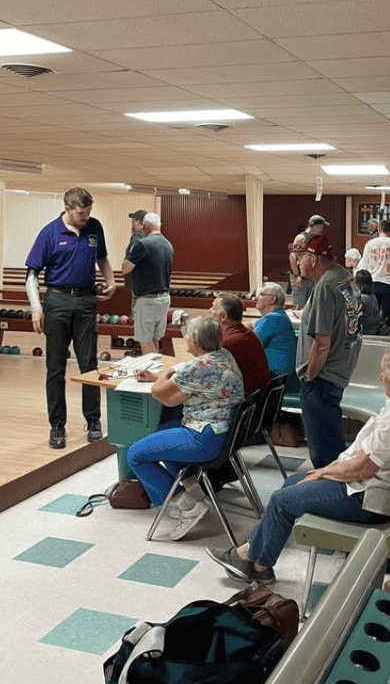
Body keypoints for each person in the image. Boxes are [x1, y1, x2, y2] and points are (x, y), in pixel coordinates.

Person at [205, 343, 390, 585]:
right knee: (292, 482)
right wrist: (326, 473)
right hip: (370, 488)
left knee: (283, 500)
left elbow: (361, 469)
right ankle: (254, 560)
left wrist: (324, 472)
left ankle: (255, 562)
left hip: (367, 498)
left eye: (384, 371)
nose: (380, 376)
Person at [128, 315, 244, 540]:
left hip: (205, 439)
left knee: (135, 454)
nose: (185, 338)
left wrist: (162, 376)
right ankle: (195, 493)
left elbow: (160, 394)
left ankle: (187, 507)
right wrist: (166, 377)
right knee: (163, 433)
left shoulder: (198, 366)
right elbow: (178, 391)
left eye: (188, 335)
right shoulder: (224, 355)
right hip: (224, 434)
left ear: (197, 343)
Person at [25, 186, 116, 449]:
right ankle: (57, 427)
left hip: (86, 301)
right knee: (56, 368)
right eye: (80, 214)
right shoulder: (49, 233)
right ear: (67, 208)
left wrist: (110, 281)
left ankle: (94, 421)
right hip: (57, 301)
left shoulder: (94, 227)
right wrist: (36, 307)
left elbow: (103, 258)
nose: (84, 218)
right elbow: (31, 274)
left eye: (87, 214)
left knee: (89, 365)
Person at [293, 234, 359, 468]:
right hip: (339, 371)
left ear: (311, 258)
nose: (297, 264)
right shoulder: (346, 278)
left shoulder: (324, 288)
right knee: (331, 442)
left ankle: (328, 497)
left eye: (299, 258)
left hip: (321, 379)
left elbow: (321, 342)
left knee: (324, 453)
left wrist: (310, 376)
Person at [120, 212, 173, 353]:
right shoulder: (168, 245)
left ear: (145, 227)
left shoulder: (142, 244)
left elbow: (126, 269)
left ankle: (151, 372)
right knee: (154, 338)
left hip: (147, 300)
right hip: (164, 298)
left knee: (145, 340)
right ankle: (156, 371)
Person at [210, 292, 271, 396]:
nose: (209, 311)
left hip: (243, 404)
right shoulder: (249, 334)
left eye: (213, 307)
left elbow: (207, 377)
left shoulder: (226, 342)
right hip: (258, 400)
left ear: (223, 317)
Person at [356, 219, 390, 325]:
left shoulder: (369, 244)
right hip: (389, 286)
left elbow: (364, 267)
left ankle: (373, 338)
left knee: (371, 317)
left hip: (372, 284)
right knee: (387, 319)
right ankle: (386, 338)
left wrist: (360, 289)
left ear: (378, 230)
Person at [251, 282, 296, 378]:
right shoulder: (278, 316)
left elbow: (250, 345)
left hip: (274, 377)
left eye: (262, 295)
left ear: (272, 299)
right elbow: (251, 324)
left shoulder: (273, 319)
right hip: (278, 376)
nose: (256, 298)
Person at [289, 215, 330, 308]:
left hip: (312, 277)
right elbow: (292, 256)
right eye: (320, 226)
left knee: (311, 306)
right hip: (301, 277)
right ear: (314, 226)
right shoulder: (301, 238)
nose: (322, 229)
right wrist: (296, 276)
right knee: (299, 306)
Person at [356, 269, 382, 335]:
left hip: (365, 331)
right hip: (374, 328)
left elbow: (356, 316)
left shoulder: (362, 298)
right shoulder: (373, 296)